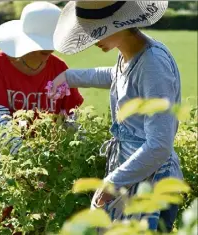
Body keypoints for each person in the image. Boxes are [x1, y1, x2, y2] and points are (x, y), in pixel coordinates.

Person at [48, 1, 183, 233]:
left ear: (121, 23)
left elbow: (159, 145)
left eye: (98, 28)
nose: (92, 38)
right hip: (135, 174)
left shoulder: (153, 65)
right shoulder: (131, 54)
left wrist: (113, 182)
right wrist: (68, 77)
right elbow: (117, 76)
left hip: (152, 182)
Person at [0, 1, 83, 210]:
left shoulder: (59, 68)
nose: (50, 49)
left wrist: (82, 151)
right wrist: (28, 162)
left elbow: (71, 118)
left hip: (45, 167)